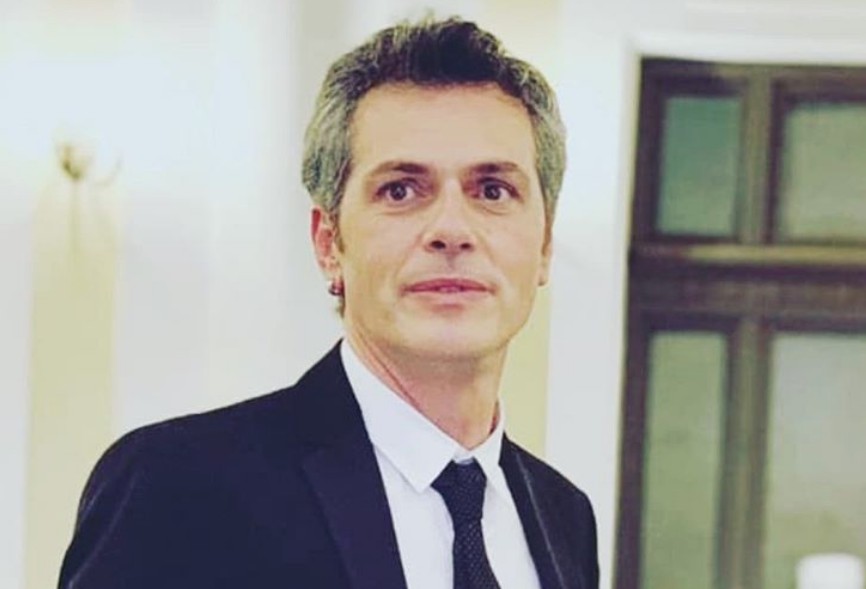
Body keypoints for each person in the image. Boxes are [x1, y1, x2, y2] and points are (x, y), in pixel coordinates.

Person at [58, 16, 599, 589]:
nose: (451, 230)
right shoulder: (177, 486)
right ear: (328, 244)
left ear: (544, 245)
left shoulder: (565, 516)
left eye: (492, 190)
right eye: (401, 190)